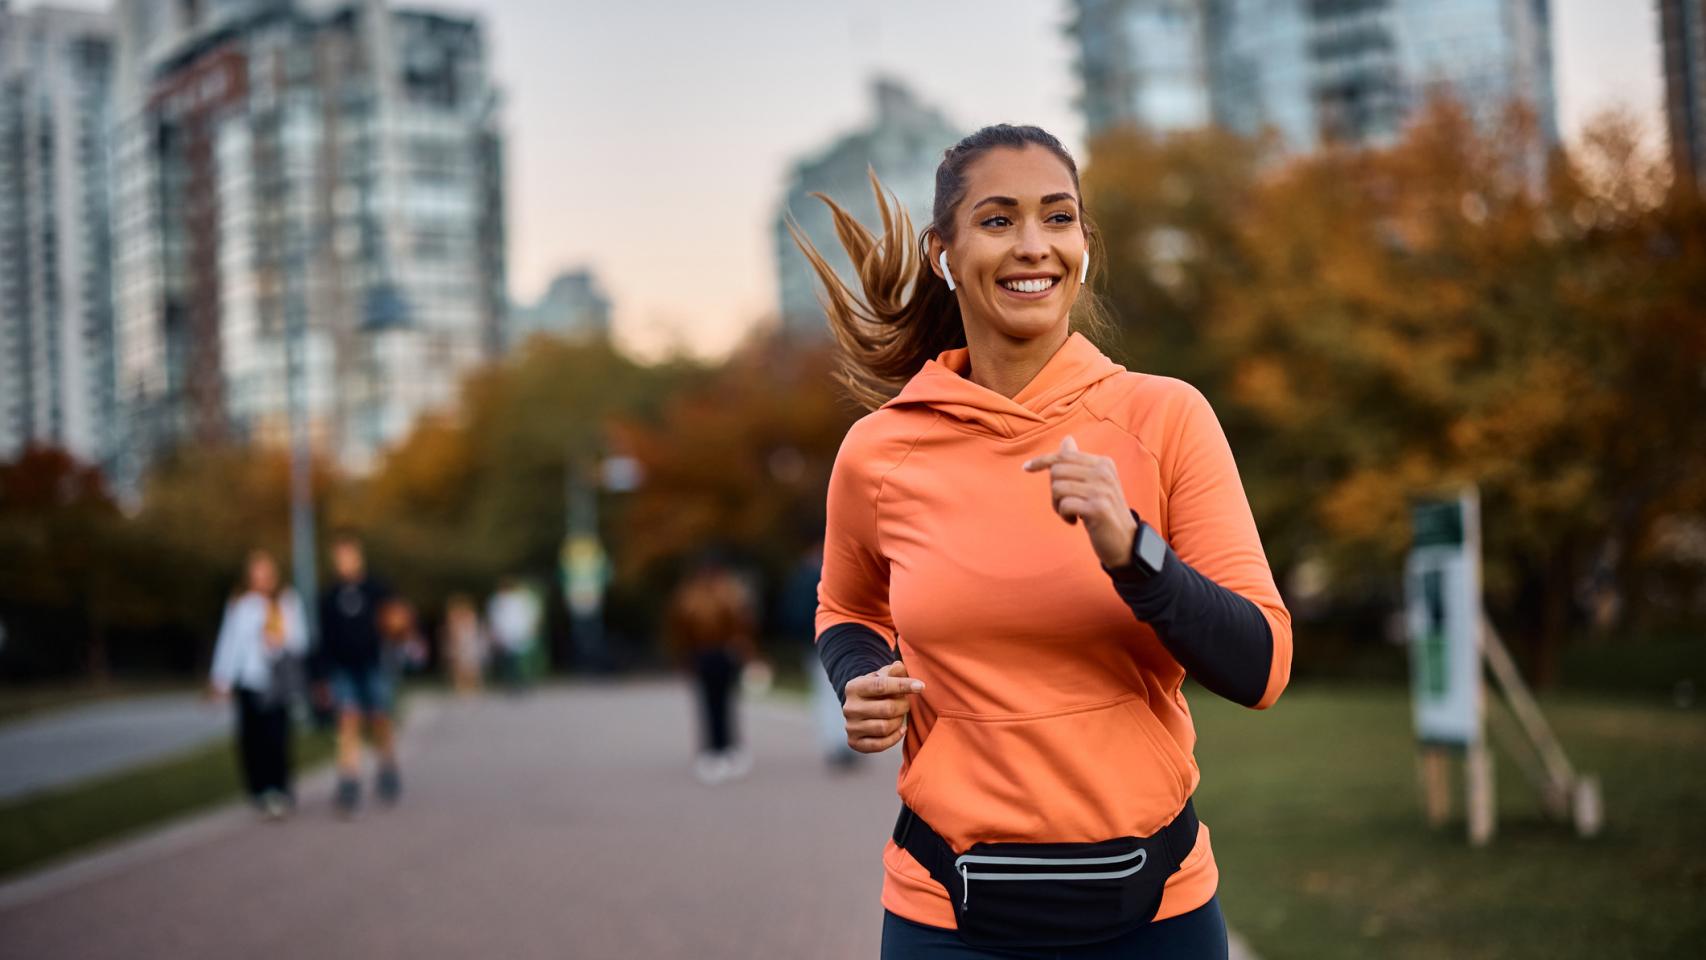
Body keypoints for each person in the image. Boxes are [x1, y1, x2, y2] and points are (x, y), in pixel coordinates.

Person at [800, 125, 1293, 958]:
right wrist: (858, 676)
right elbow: (845, 606)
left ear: (1084, 246)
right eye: (997, 221)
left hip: (1157, 914)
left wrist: (1133, 551)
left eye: (1058, 218)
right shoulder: (881, 452)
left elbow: (1261, 666)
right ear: (942, 253)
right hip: (946, 917)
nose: (1034, 245)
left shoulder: (1166, 418)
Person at [209, 549, 308, 819]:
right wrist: (221, 678)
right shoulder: (241, 604)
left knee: (277, 737)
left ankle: (280, 788)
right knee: (251, 739)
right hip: (250, 680)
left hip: (277, 681)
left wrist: (279, 642)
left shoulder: (286, 602)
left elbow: (300, 640)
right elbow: (229, 643)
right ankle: (259, 790)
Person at [313, 531, 402, 816]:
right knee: (348, 720)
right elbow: (323, 640)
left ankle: (387, 767)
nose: (345, 561)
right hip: (342, 668)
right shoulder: (329, 597)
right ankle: (349, 779)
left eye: (349, 555)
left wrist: (399, 627)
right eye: (340, 557)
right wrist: (321, 676)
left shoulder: (377, 589)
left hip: (373, 664)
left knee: (379, 718)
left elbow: (396, 620)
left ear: (358, 556)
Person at [666, 554, 758, 785]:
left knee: (720, 703)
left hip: (719, 654)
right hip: (707, 655)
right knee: (713, 703)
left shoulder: (717, 595)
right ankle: (716, 749)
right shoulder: (707, 596)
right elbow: (681, 630)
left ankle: (725, 748)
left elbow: (742, 625)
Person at [779, 539, 859, 769]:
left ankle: (835, 741)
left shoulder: (802, 577)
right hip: (828, 639)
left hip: (816, 641)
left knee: (827, 693)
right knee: (834, 693)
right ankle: (839, 742)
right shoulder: (821, 577)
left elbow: (791, 613)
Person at [486, 577, 540, 694]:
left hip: (520, 632)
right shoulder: (496, 600)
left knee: (520, 660)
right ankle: (512, 683)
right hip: (506, 634)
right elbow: (494, 618)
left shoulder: (521, 598)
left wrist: (531, 628)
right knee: (509, 661)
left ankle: (523, 681)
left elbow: (530, 614)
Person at [441, 593, 488, 697]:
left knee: (470, 665)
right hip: (461, 643)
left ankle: (471, 687)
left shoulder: (469, 615)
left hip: (468, 642)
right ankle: (462, 688)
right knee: (460, 665)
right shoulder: (454, 615)